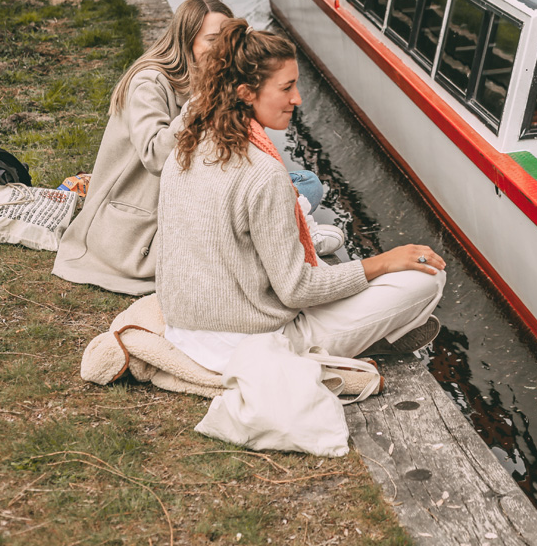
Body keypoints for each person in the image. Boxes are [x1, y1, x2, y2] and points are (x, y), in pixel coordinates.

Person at [156, 19, 445, 373]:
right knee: (426, 277)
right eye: (287, 87)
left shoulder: (187, 146)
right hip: (250, 345)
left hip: (184, 330)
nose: (298, 98)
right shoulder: (263, 173)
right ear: (246, 92)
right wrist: (383, 262)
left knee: (349, 275)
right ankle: (367, 338)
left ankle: (375, 331)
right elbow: (297, 290)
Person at [53, 0, 234, 294]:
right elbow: (156, 157)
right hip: (138, 226)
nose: (222, 51)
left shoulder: (210, 81)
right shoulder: (148, 83)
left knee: (302, 183)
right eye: (213, 40)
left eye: (228, 40)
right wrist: (198, 106)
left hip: (186, 201)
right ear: (185, 42)